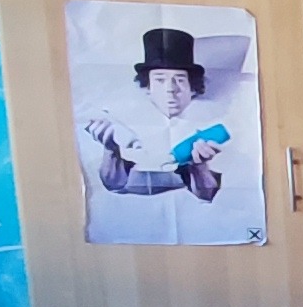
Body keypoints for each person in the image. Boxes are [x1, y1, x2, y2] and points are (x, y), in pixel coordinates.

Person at [85, 27, 227, 201]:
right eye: (160, 80)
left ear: (193, 87)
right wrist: (111, 150)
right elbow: (113, 184)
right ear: (148, 87)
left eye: (180, 80)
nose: (170, 89)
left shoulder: (213, 125)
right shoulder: (124, 121)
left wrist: (199, 166)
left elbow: (208, 194)